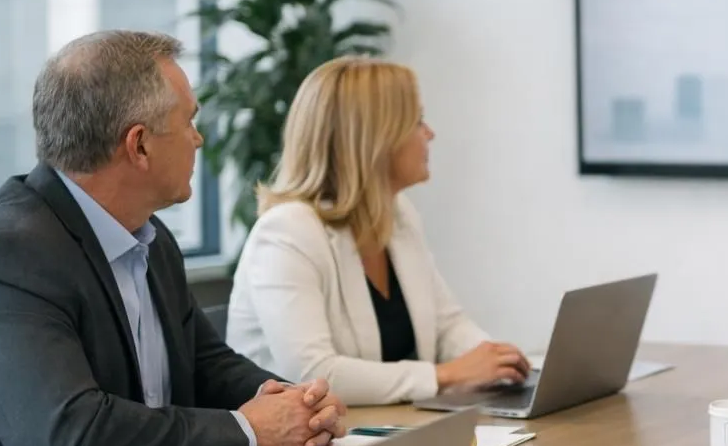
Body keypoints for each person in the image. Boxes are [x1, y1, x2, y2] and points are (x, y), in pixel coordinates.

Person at [0, 31, 347, 446]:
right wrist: (248, 430)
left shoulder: (149, 236)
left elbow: (205, 365)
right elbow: (69, 440)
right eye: (189, 122)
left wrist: (295, 405)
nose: (199, 138)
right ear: (139, 145)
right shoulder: (3, 258)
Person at [226, 57, 530, 407]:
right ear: (375, 139)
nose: (429, 134)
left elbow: (447, 324)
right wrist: (446, 375)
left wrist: (496, 362)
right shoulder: (286, 232)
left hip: (383, 432)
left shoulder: (398, 214)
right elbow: (314, 373)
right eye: (417, 121)